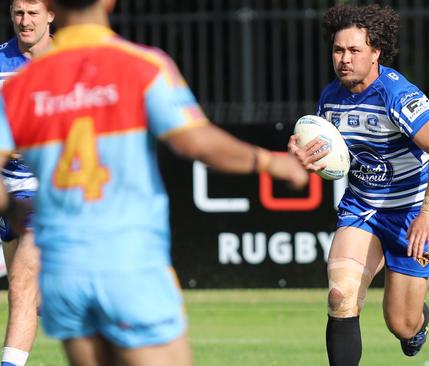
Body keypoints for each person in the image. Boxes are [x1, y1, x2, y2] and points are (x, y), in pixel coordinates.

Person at [0, 0, 308, 365]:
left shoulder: (23, 85)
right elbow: (196, 141)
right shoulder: (141, 65)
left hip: (66, 271)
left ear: (51, 8)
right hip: (127, 261)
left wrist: (12, 206)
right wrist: (272, 163)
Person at [288, 4, 429, 365]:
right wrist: (302, 154)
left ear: (376, 52)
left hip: (413, 210)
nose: (344, 59)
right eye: (338, 50)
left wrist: (428, 214)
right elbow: (330, 157)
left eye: (354, 50)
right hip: (363, 207)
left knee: (402, 324)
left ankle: (418, 322)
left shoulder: (396, 95)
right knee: (340, 296)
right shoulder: (330, 99)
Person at [0, 1, 54, 365]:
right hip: (4, 191)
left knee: (20, 286)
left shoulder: (71, 61)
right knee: (28, 297)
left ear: (50, 14)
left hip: (47, 189)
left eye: (33, 12)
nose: (25, 21)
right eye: (19, 12)